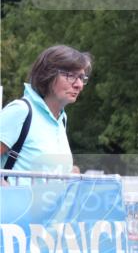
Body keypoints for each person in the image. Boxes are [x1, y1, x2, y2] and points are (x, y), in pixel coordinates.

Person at [1, 45, 91, 178]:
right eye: (70, 75)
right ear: (47, 75)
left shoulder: (61, 119)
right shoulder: (21, 111)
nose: (79, 84)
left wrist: (70, 173)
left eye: (81, 78)